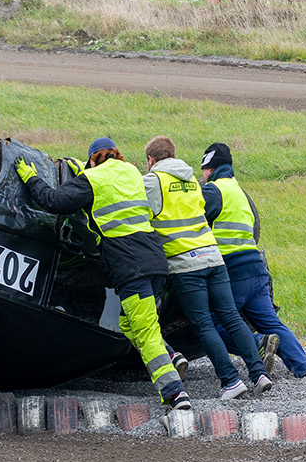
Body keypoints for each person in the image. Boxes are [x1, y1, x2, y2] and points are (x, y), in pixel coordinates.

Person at [16, 137, 193, 411]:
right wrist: (84, 170)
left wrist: (31, 178)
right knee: (129, 324)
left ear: (92, 160)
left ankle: (174, 393)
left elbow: (53, 200)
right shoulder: (133, 171)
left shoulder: (92, 180)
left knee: (144, 331)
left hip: (130, 266)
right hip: (155, 261)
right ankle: (170, 353)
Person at [143, 136, 270, 400]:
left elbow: (141, 217)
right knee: (231, 317)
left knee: (203, 325)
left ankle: (231, 381)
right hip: (213, 257)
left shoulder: (152, 182)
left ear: (151, 160)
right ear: (174, 154)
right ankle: (258, 375)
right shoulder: (193, 181)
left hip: (185, 263)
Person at [200, 142, 306, 378]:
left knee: (210, 324)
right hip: (256, 267)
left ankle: (258, 345)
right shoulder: (240, 193)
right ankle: (305, 370)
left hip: (232, 271)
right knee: (272, 323)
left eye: (203, 170)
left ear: (209, 168)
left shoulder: (213, 191)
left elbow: (192, 224)